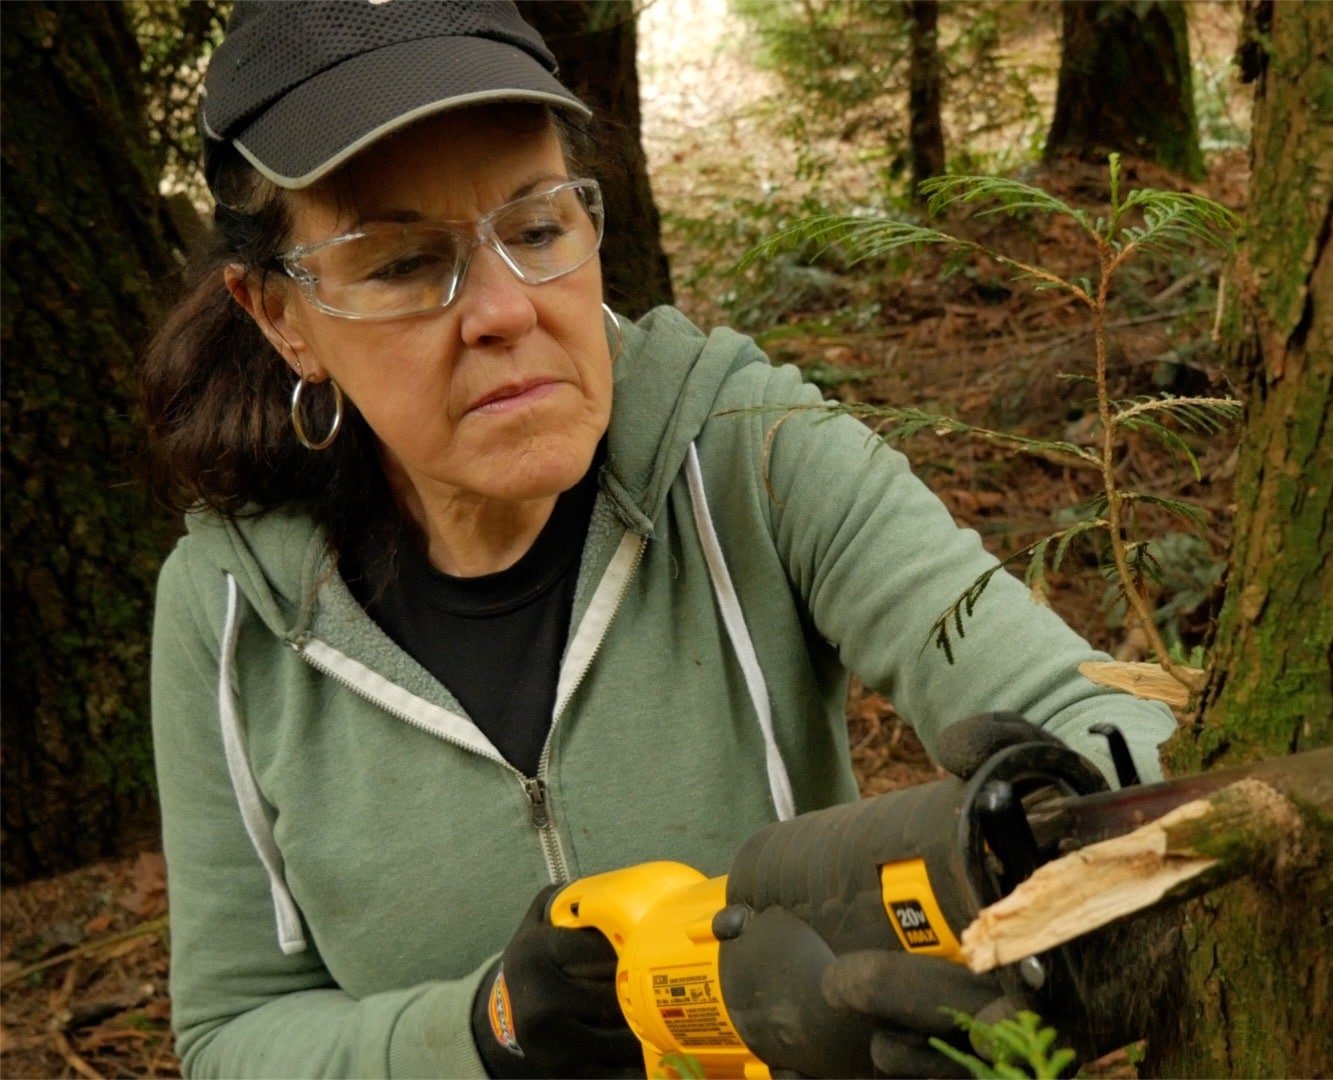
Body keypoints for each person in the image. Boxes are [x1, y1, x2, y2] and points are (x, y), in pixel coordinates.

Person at [141, 3, 1176, 1077]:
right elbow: (233, 1036)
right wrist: (486, 1030)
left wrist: (1051, 934)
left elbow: (1102, 721)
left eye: (538, 230)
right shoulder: (231, 610)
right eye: (403, 263)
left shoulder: (745, 449)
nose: (503, 308)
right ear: (281, 317)